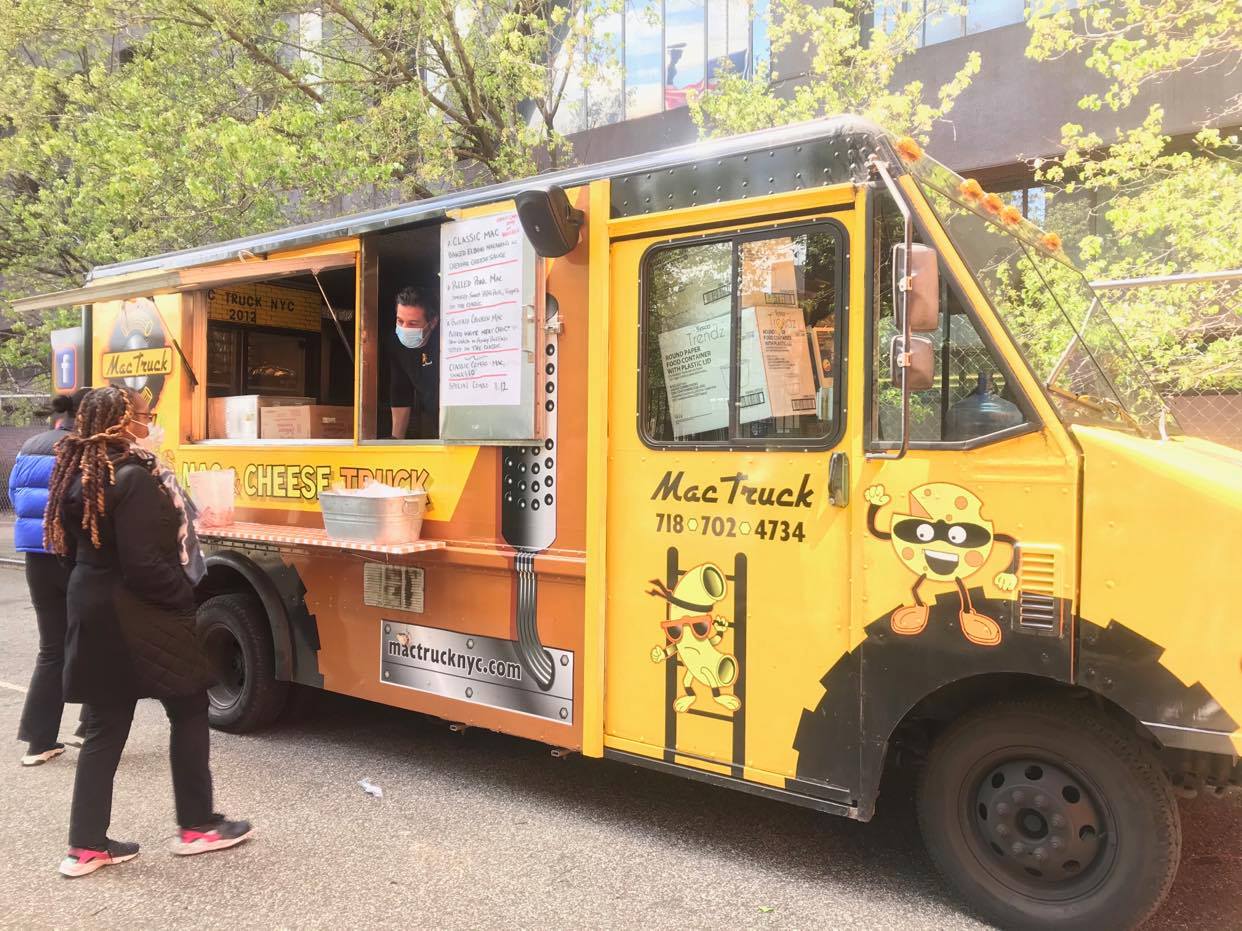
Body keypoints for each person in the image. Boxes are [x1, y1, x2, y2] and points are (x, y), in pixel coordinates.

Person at [44, 386, 252, 877]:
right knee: (189, 705)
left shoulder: (80, 471)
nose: (150, 423)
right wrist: (184, 594)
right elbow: (143, 563)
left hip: (93, 604)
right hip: (139, 612)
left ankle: (86, 846)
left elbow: (81, 551)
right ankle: (198, 825)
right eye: (145, 416)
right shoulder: (134, 477)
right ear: (121, 423)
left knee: (105, 725)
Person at [11, 388, 91, 766]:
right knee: (97, 638)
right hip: (74, 556)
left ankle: (38, 741)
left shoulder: (30, 444)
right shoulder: (84, 446)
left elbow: (15, 495)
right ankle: (90, 728)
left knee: (51, 649)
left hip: (35, 557)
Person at [388, 285, 439, 439]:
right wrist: (395, 441)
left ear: (433, 322)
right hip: (435, 421)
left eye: (412, 323)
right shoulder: (396, 344)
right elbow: (400, 392)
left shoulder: (447, 341)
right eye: (400, 320)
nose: (404, 328)